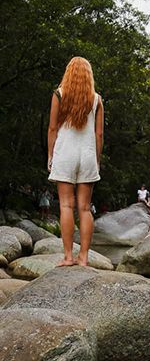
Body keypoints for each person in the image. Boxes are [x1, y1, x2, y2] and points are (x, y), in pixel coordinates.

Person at [48, 56, 104, 267]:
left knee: (65, 205)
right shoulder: (97, 100)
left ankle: (68, 256)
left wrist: (50, 155)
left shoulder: (59, 95)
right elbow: (99, 135)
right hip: (87, 154)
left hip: (65, 153)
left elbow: (53, 128)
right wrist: (96, 160)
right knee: (85, 208)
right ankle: (84, 257)